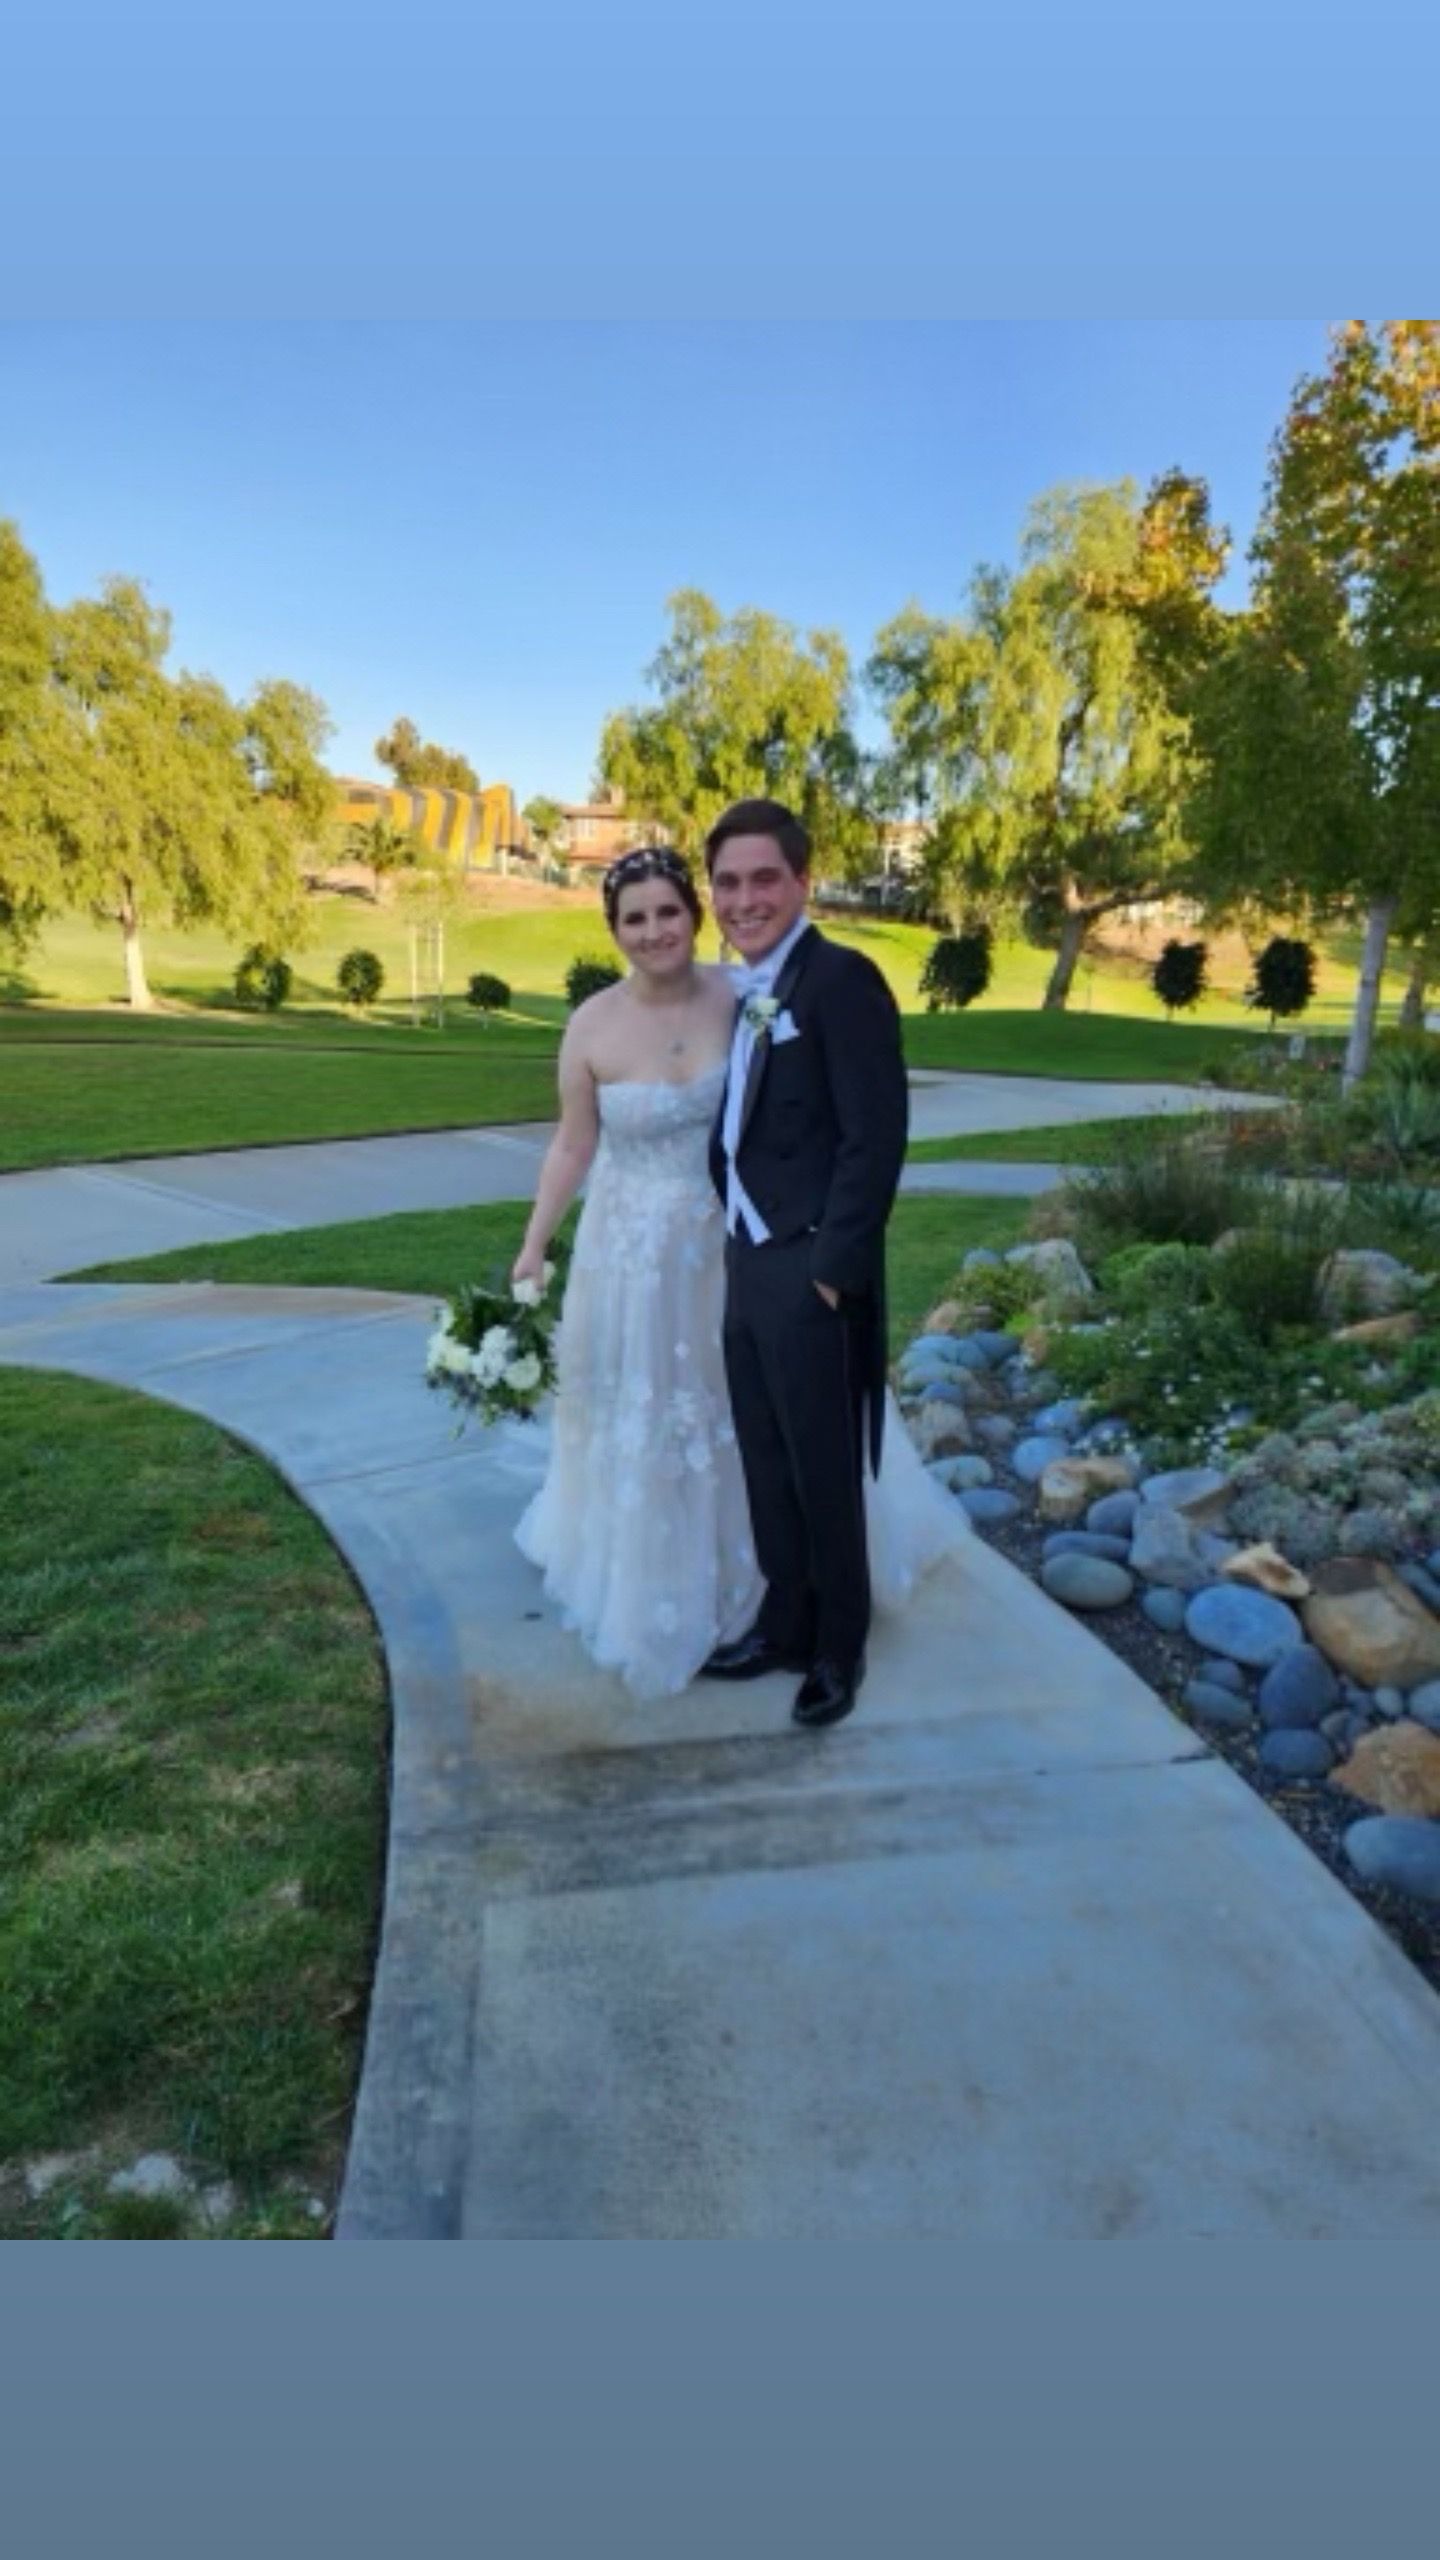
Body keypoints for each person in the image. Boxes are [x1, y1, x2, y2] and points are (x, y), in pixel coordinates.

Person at [512, 838, 964, 1705]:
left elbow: (847, 1125)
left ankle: (829, 1632)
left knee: (791, 1434)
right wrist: (535, 1242)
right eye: (635, 919)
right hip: (634, 1254)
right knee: (715, 1427)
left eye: (669, 912)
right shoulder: (593, 1025)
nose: (655, 931)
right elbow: (574, 1142)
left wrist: (835, 1259)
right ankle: (758, 1607)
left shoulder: (747, 991)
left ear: (695, 913)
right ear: (614, 929)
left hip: (747, 1247)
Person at [701, 798, 911, 1727]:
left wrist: (835, 1269)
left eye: (762, 879)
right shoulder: (748, 988)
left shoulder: (841, 980)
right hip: (748, 1257)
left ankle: (838, 1647)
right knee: (765, 1454)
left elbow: (876, 1138)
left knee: (823, 1467)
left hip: (809, 1265)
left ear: (802, 882)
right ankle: (784, 1622)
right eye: (729, 882)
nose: (743, 899)